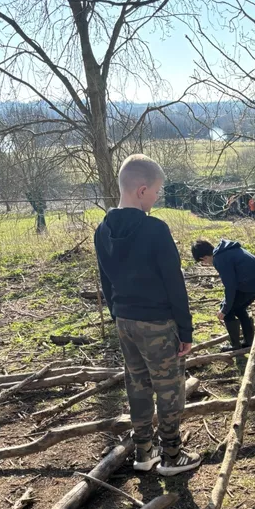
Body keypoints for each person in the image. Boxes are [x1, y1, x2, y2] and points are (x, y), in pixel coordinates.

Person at [94, 154, 201, 476]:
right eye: (156, 191)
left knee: (138, 386)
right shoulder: (155, 229)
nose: (157, 197)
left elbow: (105, 280)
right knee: (169, 389)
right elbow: (174, 282)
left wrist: (117, 313)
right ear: (142, 190)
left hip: (124, 320)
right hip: (158, 322)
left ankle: (143, 451)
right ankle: (171, 455)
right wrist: (185, 330)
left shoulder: (102, 229)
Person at [191, 237, 255, 350]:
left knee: (228, 311)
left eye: (203, 262)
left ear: (204, 257)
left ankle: (235, 345)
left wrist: (224, 309)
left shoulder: (220, 259)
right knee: (239, 309)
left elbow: (230, 287)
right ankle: (249, 342)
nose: (206, 264)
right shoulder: (225, 250)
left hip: (251, 284)